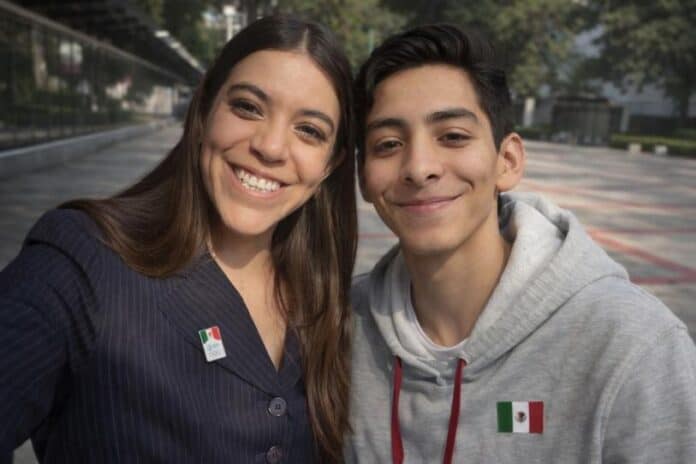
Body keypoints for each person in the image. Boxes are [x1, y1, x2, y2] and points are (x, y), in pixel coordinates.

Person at [0, 15, 356, 463]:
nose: (270, 147)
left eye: (309, 130)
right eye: (248, 107)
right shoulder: (81, 261)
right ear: (204, 109)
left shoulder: (322, 299)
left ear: (329, 165)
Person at [346, 24, 696, 463]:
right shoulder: (340, 330)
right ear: (363, 177)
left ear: (507, 160)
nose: (419, 167)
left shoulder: (633, 344)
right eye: (388, 144)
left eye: (453, 136)